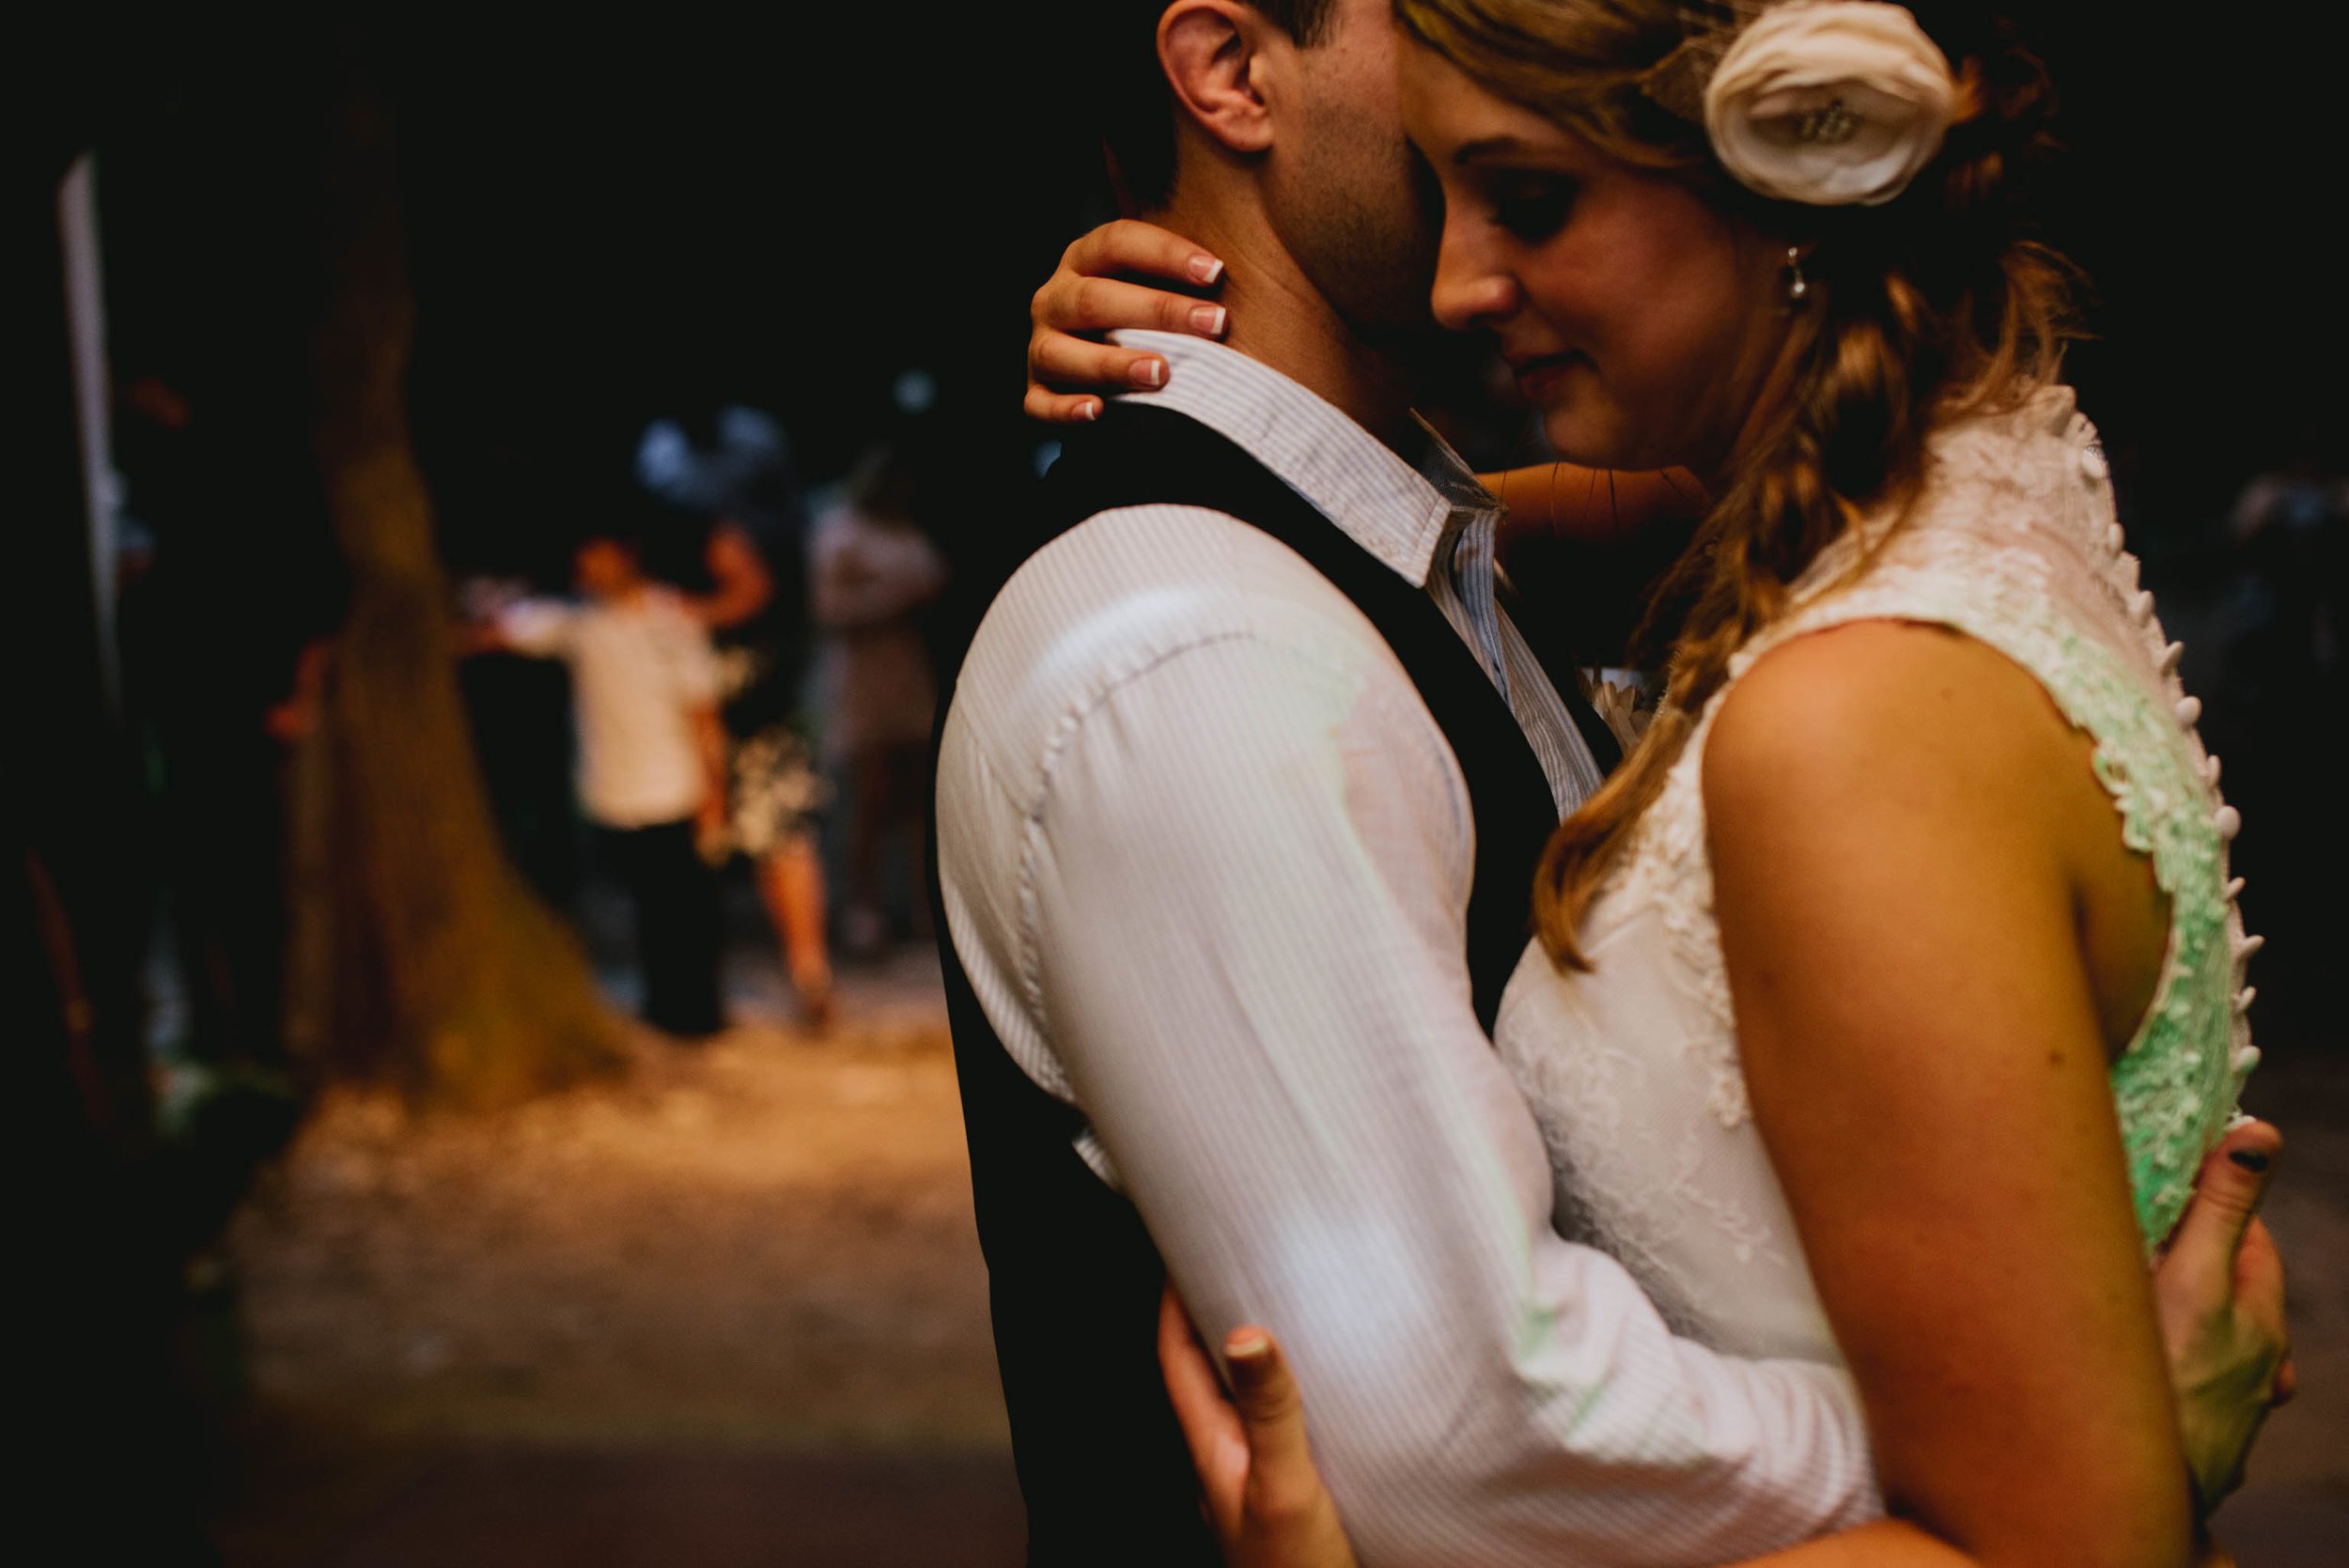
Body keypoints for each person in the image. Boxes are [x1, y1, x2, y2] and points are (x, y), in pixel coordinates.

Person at [945, 3, 2285, 1564]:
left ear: (1769, 160)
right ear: (1232, 72)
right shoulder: (1206, 641)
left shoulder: (1834, 641)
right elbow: (1477, 1441)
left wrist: (2057, 1456)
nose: (1464, 263)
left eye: (1520, 189)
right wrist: (2093, 1416)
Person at [479, 525, 730, 1038]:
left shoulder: (672, 620)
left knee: (683, 909)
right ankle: (663, 1011)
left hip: (673, 787)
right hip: (613, 792)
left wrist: (713, 793)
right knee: (646, 909)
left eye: (602, 557)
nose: (593, 570)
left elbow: (703, 714)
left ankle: (698, 1015)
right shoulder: (579, 623)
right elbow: (503, 630)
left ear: (627, 556)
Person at [638, 410, 838, 1029]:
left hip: (751, 697)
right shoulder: (707, 466)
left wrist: (678, 613)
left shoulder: (707, 511)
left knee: (776, 837)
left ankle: (809, 972)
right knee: (750, 839)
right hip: (729, 697)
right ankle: (739, 982)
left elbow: (751, 587)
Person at [811, 444, 950, 957]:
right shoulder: (840, 530)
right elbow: (827, 606)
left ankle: (918, 905)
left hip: (907, 669)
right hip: (861, 673)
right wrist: (894, 598)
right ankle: (861, 909)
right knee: (869, 798)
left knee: (917, 799)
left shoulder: (906, 528)